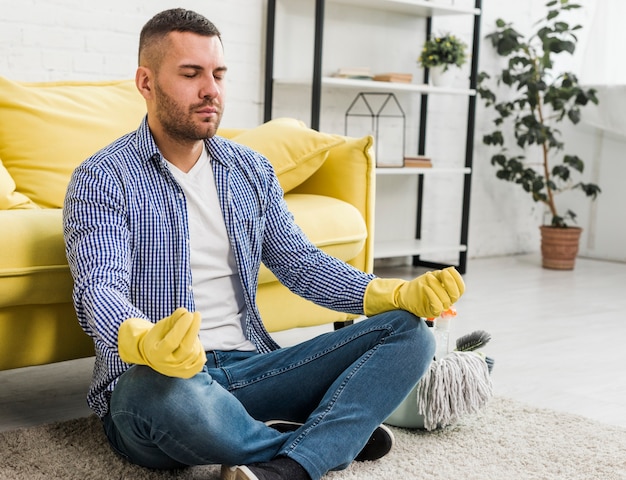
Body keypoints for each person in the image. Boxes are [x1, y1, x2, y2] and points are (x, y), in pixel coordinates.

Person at [63, 8, 465, 480]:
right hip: (160, 385)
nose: (211, 89)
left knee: (409, 332)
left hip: (253, 369)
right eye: (191, 74)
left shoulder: (250, 171)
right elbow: (99, 288)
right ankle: (325, 442)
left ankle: (283, 461)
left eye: (218, 74)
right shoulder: (101, 178)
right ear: (146, 83)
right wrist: (142, 339)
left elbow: (300, 263)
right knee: (156, 393)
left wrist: (391, 293)